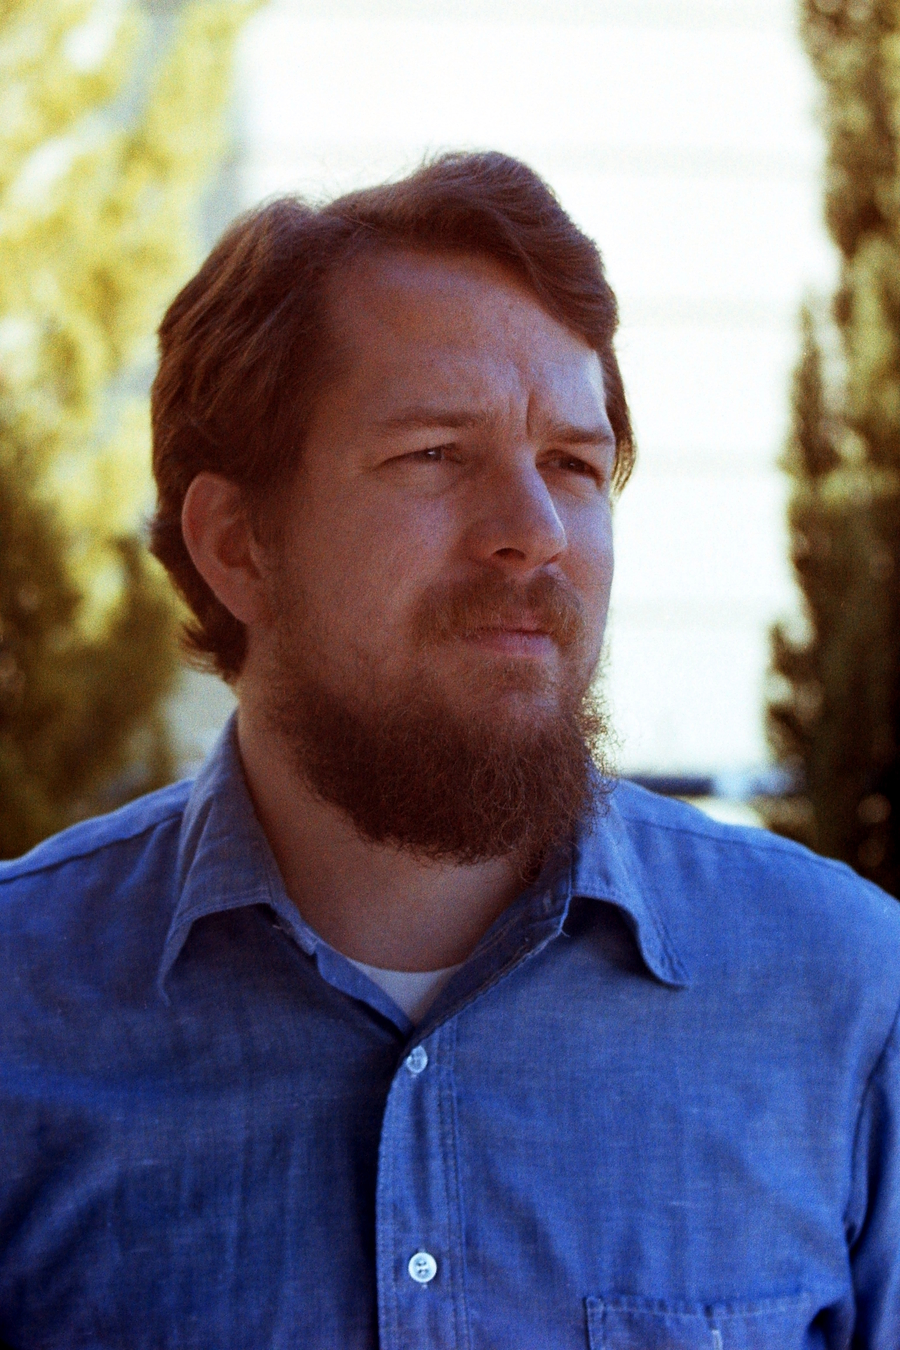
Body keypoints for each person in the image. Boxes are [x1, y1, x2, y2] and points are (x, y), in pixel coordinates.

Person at [0, 152, 898, 1350]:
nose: (533, 531)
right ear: (238, 545)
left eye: (573, 465)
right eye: (434, 454)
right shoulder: (22, 1009)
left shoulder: (847, 996)